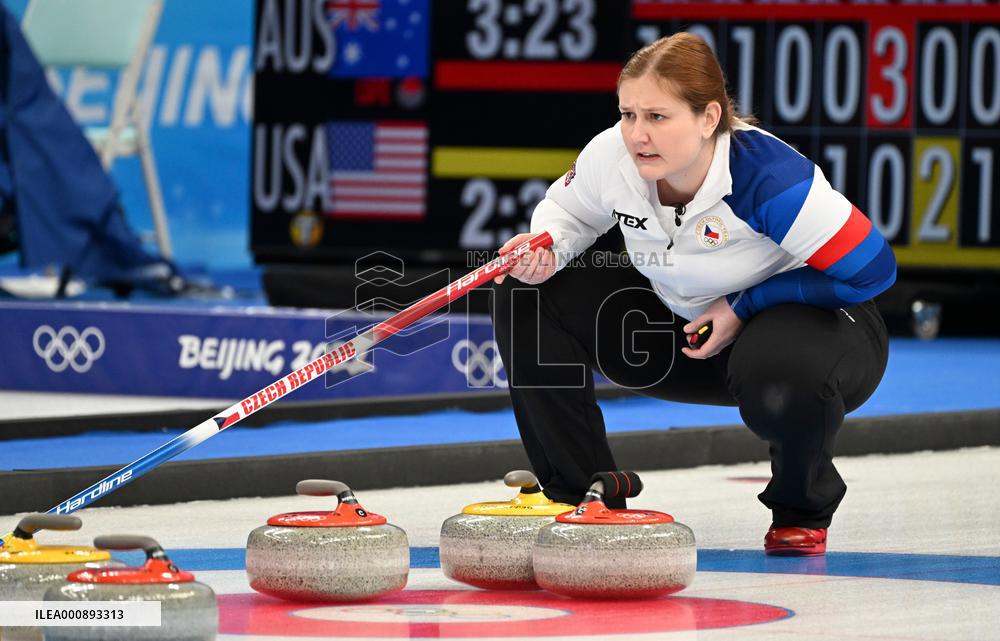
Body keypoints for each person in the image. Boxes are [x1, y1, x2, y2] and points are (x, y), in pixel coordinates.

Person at [490, 33, 895, 556]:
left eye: (657, 117)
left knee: (780, 369)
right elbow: (568, 213)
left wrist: (745, 305)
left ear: (709, 118)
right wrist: (547, 246)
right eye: (628, 114)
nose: (637, 134)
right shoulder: (611, 155)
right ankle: (584, 498)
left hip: (817, 337)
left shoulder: (770, 178)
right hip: (688, 334)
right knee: (524, 288)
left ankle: (801, 509)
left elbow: (873, 273)